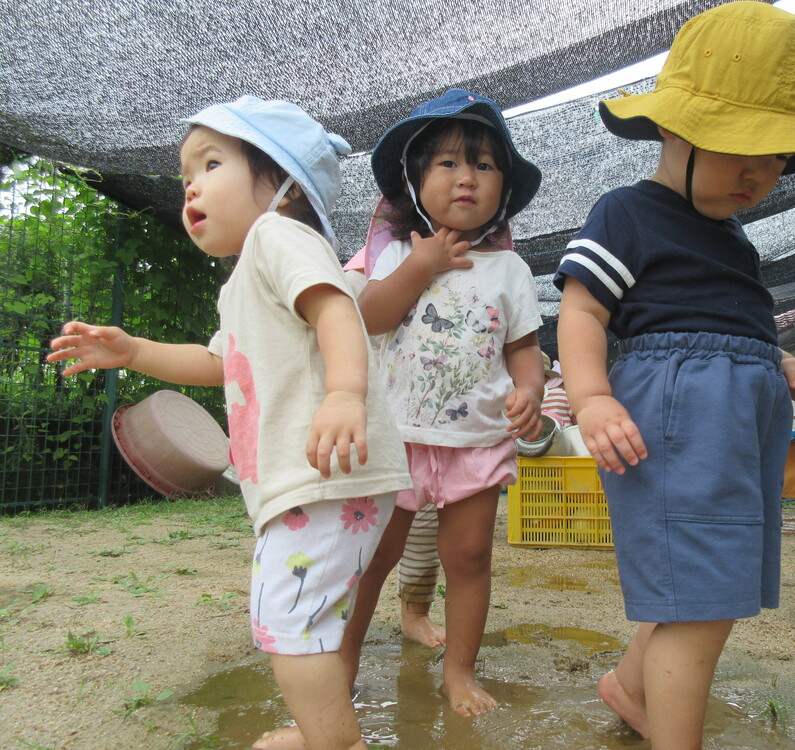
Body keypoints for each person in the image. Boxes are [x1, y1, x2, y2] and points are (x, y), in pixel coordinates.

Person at [47, 96, 412, 750]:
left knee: (288, 619)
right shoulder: (247, 276)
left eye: (211, 163)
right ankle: (321, 733)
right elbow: (220, 360)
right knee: (293, 617)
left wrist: (345, 393)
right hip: (307, 478)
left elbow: (336, 310)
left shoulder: (281, 237)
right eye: (186, 171)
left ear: (286, 182)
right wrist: (135, 352)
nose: (191, 182)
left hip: (324, 469)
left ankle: (335, 742)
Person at [553, 3, 795, 746]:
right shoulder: (627, 213)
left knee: (702, 583)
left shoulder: (733, 239)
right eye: (739, 146)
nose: (759, 173)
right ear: (672, 127)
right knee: (702, 599)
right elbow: (584, 312)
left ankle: (629, 687)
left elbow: (733, 324)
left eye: (778, 155)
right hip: (675, 419)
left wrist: (779, 364)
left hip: (736, 421)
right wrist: (589, 396)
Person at [340, 88, 545, 717]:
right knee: (371, 561)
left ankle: (459, 671)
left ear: (503, 189)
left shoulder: (510, 270)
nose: (467, 178)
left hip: (477, 440)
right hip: (396, 436)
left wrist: (531, 390)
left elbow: (525, 349)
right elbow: (369, 318)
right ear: (415, 179)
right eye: (449, 163)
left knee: (470, 558)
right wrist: (422, 264)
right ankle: (338, 670)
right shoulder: (398, 253)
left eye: (485, 166)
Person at [345, 241, 446, 650]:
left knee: (426, 524)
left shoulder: (470, 254)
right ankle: (336, 630)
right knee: (369, 531)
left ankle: (415, 612)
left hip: (431, 419)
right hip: (374, 410)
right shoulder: (362, 268)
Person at [541, 352, 574, 428]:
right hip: (566, 437)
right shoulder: (566, 396)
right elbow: (575, 419)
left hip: (542, 437)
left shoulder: (533, 398)